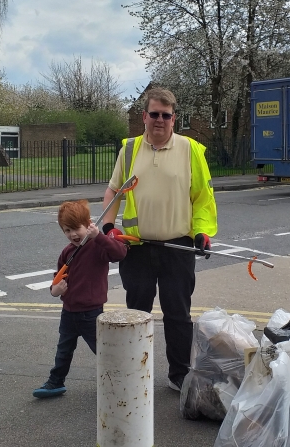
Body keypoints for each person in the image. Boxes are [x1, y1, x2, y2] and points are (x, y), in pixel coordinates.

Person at [101, 87, 218, 392]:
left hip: (176, 247)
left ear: (173, 118)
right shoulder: (129, 150)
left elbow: (203, 199)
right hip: (136, 248)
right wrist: (109, 227)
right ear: (144, 116)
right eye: (154, 114)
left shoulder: (190, 150)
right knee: (136, 314)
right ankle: (133, 373)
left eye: (166, 115)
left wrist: (202, 232)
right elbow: (114, 190)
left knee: (178, 315)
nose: (160, 120)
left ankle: (179, 375)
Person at [32, 199, 128, 399]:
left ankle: (119, 382)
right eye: (67, 230)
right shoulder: (67, 252)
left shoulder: (97, 247)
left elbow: (119, 253)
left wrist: (99, 236)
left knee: (103, 351)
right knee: (63, 350)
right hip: (68, 311)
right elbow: (57, 278)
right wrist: (54, 290)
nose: (73, 235)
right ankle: (55, 382)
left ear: (88, 224)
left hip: (90, 313)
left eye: (77, 228)